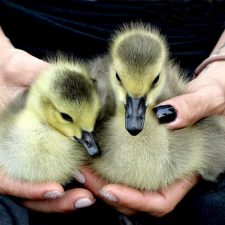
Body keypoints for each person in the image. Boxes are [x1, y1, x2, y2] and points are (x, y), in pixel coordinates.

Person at [0, 1, 225, 225]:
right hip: (20, 79)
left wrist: (220, 73)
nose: (133, 120)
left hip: (204, 84)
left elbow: (216, 145)